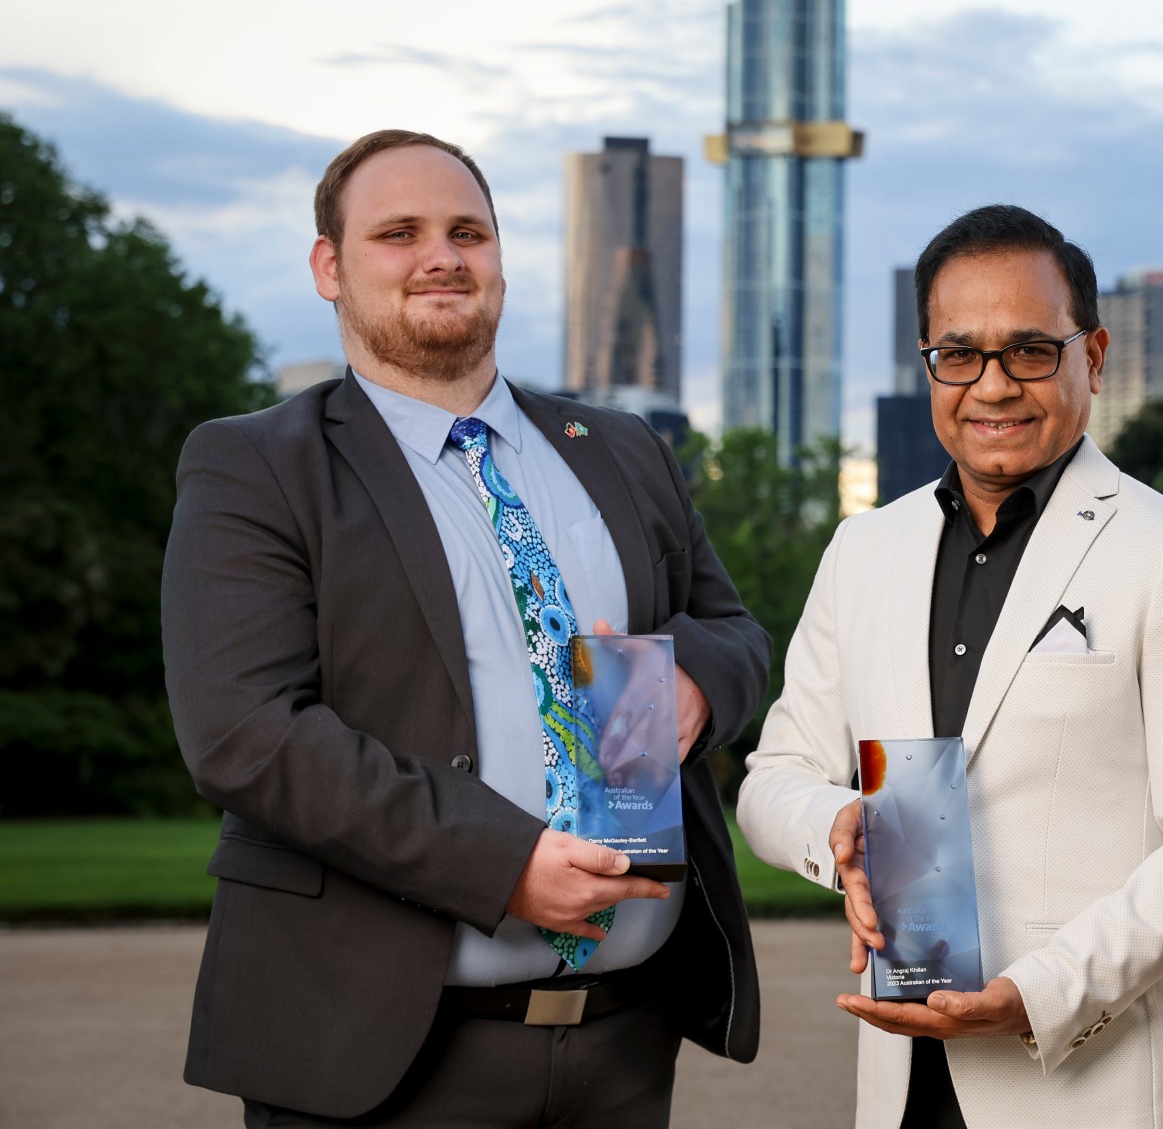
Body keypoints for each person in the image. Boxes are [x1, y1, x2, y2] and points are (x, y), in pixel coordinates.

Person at [162, 129, 768, 1126]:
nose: (442, 256)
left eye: (467, 232)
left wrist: (695, 682)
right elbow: (244, 732)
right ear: (330, 266)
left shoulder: (619, 449)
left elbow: (733, 626)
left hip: (623, 1044)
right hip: (376, 1054)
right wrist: (501, 863)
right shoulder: (257, 466)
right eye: (398, 233)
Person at [736, 205, 1163, 1129]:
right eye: (961, 354)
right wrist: (840, 825)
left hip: (1088, 1081)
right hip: (900, 1084)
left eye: (1031, 350)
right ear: (928, 363)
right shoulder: (863, 548)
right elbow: (770, 779)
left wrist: (1043, 991)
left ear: (1094, 357)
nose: (993, 384)